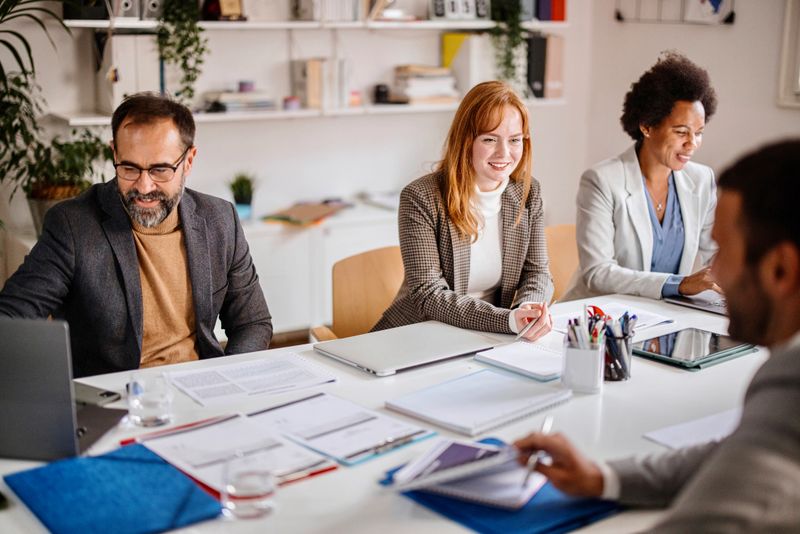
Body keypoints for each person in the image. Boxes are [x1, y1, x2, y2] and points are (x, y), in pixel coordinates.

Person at [515, 139, 800, 531]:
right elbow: (737, 451)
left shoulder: (792, 382)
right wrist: (603, 479)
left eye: (723, 253)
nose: (713, 270)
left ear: (780, 270)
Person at [0, 93, 272, 377]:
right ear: (114, 153)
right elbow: (12, 318)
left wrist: (229, 379)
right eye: (129, 168)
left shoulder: (220, 219)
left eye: (160, 170)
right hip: (117, 401)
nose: (143, 187)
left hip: (200, 387)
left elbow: (253, 323)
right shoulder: (73, 225)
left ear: (189, 160)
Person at [373, 81, 554, 340]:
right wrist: (507, 321)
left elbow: (538, 273)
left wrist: (527, 310)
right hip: (420, 334)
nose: (505, 153)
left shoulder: (528, 192)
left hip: (489, 337)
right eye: (490, 139)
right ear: (466, 140)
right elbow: (429, 294)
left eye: (515, 140)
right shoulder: (421, 197)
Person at [563, 52, 721, 301]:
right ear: (647, 126)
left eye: (698, 132)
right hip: (600, 319)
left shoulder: (701, 180)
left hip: (665, 318)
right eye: (681, 132)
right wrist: (678, 285)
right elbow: (598, 273)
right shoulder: (601, 181)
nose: (692, 144)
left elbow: (718, 254)